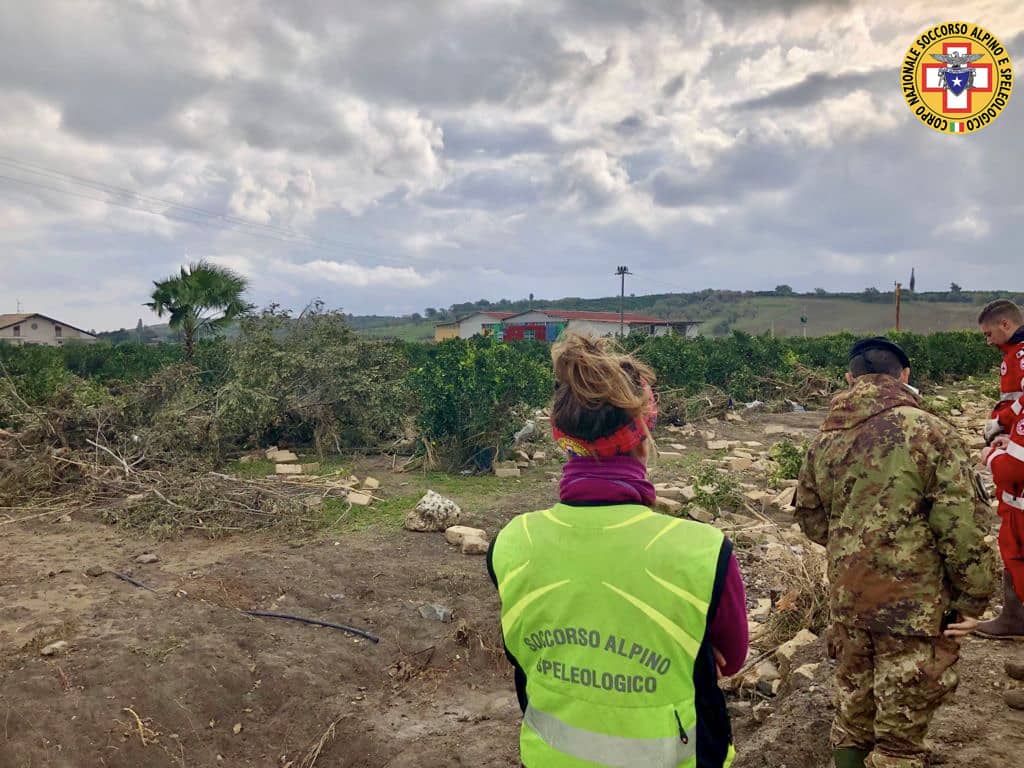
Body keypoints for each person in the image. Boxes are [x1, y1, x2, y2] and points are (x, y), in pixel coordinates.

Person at [487, 333, 749, 768]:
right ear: (643, 435)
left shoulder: (513, 542)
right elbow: (732, 658)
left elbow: (523, 648)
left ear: (562, 440)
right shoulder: (704, 551)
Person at [795, 337, 996, 768]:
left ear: (849, 379)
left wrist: (854, 548)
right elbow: (961, 527)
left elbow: (812, 521)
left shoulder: (824, 438)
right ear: (905, 376)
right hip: (913, 606)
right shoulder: (930, 430)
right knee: (900, 737)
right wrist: (973, 599)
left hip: (848, 600)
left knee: (852, 714)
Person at [975, 299, 1024, 639]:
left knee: (1015, 545)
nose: (987, 341)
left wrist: (991, 454)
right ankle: (1015, 617)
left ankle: (1014, 619)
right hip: (1014, 439)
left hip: (1017, 471)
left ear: (1005, 325)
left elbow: (1013, 470)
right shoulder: (1015, 355)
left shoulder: (1020, 356)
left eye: (989, 333)